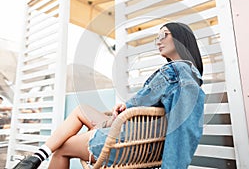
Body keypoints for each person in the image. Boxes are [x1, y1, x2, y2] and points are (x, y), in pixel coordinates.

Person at [13, 22, 205, 169]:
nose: (158, 41)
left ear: (181, 38)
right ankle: (36, 157)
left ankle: (35, 158)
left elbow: (183, 126)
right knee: (81, 110)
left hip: (129, 143)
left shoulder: (178, 72)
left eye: (163, 35)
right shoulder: (187, 74)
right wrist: (127, 106)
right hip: (133, 134)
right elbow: (147, 104)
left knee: (62, 148)